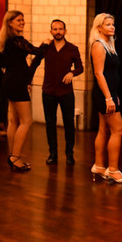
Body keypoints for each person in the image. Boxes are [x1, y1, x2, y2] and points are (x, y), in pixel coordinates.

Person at [0, 10, 49, 172]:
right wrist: (46, 43)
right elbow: (37, 52)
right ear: (10, 23)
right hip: (17, 81)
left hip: (9, 80)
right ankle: (15, 157)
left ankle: (13, 155)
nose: (22, 22)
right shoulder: (17, 40)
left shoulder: (5, 41)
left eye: (23, 20)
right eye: (19, 20)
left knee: (13, 120)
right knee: (26, 121)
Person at [30, 19, 84, 166]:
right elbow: (35, 63)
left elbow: (80, 67)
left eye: (60, 29)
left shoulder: (72, 48)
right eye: (55, 29)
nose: (58, 31)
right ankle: (52, 154)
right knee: (50, 124)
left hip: (66, 92)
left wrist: (72, 73)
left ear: (65, 31)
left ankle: (69, 154)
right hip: (48, 91)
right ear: (51, 31)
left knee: (69, 123)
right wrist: (27, 80)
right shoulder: (46, 47)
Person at [90, 13, 122, 184]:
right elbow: (99, 73)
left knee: (103, 129)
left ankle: (99, 166)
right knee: (118, 129)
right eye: (107, 24)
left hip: (109, 93)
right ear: (99, 28)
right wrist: (108, 97)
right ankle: (113, 170)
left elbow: (111, 74)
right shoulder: (98, 45)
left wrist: (113, 95)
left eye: (112, 24)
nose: (112, 27)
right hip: (104, 94)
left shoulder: (109, 45)